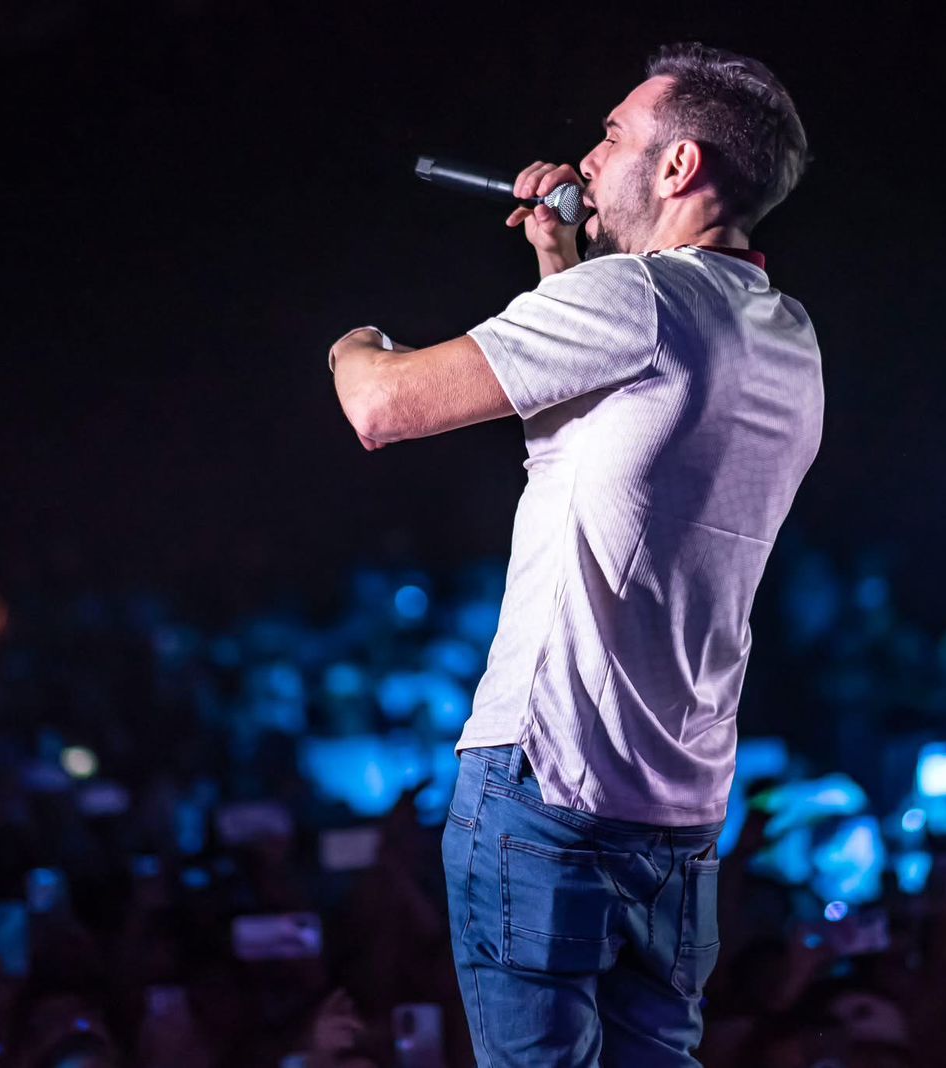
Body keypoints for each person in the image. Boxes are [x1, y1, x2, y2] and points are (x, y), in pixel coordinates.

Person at [329, 39, 817, 1067]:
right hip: (677, 813)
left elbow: (380, 408)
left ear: (678, 166)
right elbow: (592, 443)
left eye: (611, 136)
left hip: (549, 781)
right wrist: (560, 267)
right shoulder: (786, 337)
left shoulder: (638, 301)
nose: (587, 161)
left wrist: (351, 343)